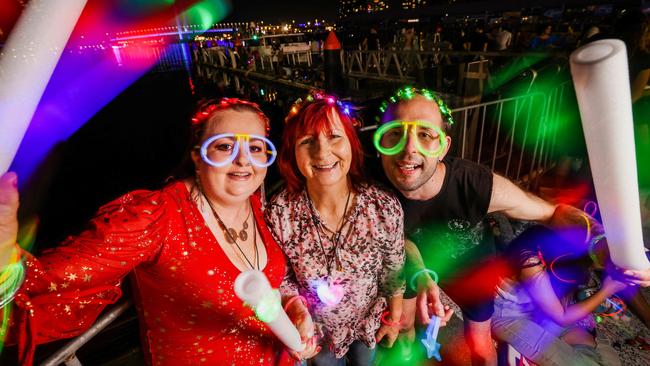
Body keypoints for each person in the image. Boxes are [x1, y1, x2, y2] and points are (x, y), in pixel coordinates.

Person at [0, 98, 318, 365]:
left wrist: (293, 308)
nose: (243, 161)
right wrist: (3, 253)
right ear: (197, 156)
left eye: (257, 148)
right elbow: (51, 282)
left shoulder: (254, 202)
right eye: (224, 146)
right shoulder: (156, 217)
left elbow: (266, 287)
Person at [374, 87, 623, 366]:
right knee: (405, 322)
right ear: (380, 141)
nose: (408, 149)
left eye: (424, 135)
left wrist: (607, 246)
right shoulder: (373, 184)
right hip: (413, 263)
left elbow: (552, 213)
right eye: (395, 133)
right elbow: (398, 233)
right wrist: (423, 275)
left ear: (443, 147)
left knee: (480, 346)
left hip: (470, 270)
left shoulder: (475, 185)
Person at [265, 91, 405, 365]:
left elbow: (394, 268)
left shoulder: (383, 206)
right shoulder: (280, 211)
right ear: (292, 153)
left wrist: (395, 318)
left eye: (334, 137)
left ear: (352, 143)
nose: (322, 152)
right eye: (307, 141)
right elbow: (282, 278)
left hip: (368, 323)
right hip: (318, 332)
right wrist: (297, 311)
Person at [492, 225, 626, 366]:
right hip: (509, 318)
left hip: (540, 314)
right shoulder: (532, 259)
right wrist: (606, 290)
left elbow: (563, 306)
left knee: (605, 354)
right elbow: (562, 317)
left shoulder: (574, 256)